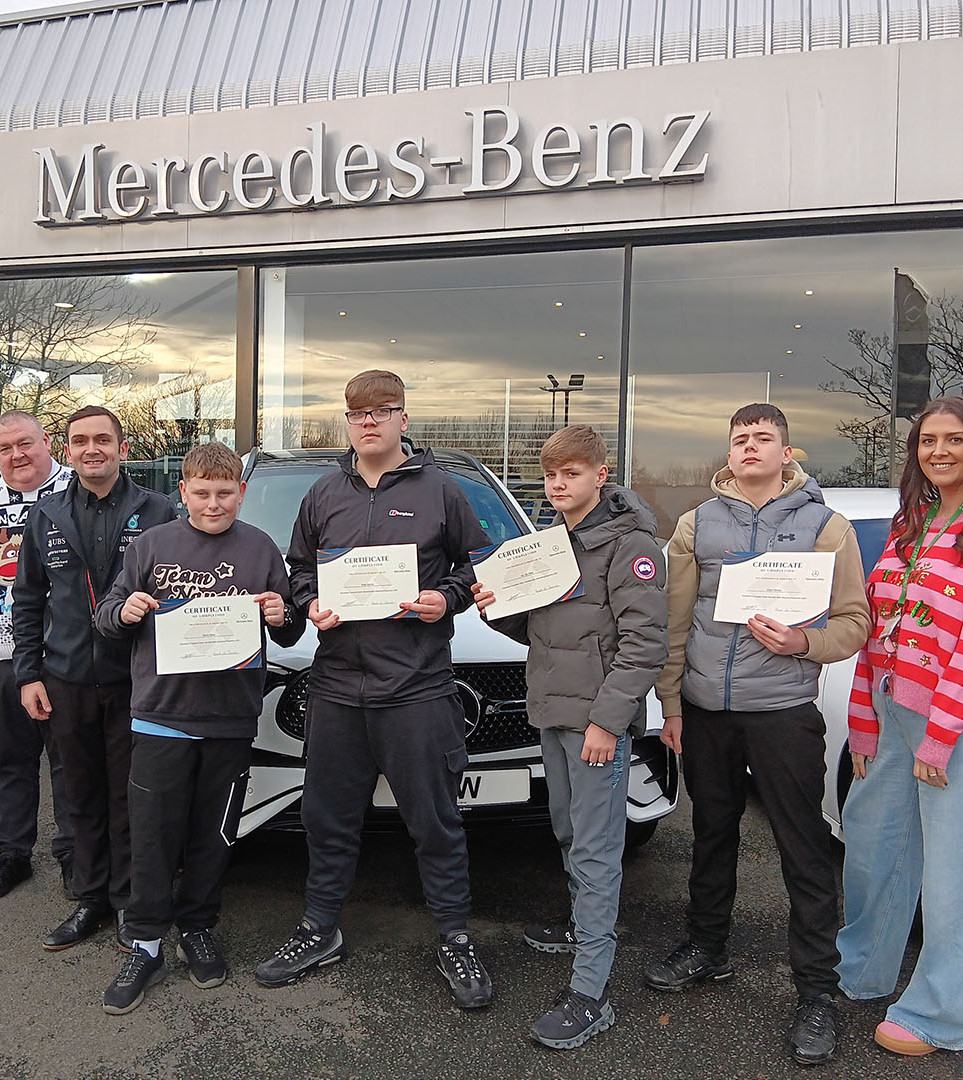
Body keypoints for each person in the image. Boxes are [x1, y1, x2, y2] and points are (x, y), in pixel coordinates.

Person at [255, 369, 497, 1009]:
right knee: (327, 819)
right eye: (358, 413)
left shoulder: (442, 490)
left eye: (382, 411)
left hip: (417, 689)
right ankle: (319, 928)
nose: (369, 422)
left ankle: (454, 936)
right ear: (347, 421)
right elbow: (299, 570)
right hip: (336, 687)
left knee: (436, 823)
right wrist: (310, 603)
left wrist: (444, 598)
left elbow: (477, 565)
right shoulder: (323, 493)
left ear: (403, 420)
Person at [646, 403, 871, 1066]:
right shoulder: (697, 523)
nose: (750, 446)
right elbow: (675, 620)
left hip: (782, 712)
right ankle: (706, 947)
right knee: (710, 834)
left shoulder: (826, 527)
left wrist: (805, 642)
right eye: (740, 438)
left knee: (803, 848)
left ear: (786, 452)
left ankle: (817, 992)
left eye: (762, 437)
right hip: (706, 711)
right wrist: (672, 704)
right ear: (729, 451)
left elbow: (855, 622)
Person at [837, 397, 963, 1056]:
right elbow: (880, 628)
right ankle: (862, 970)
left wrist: (944, 730)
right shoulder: (913, 521)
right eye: (927, 441)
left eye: (954, 439)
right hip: (896, 712)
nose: (939, 451)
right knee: (874, 847)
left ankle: (940, 1014)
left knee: (962, 870)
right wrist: (864, 722)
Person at [92, 441, 306, 1014]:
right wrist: (125, 612)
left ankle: (197, 926)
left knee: (214, 833)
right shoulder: (151, 545)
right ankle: (145, 942)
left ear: (242, 492)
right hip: (161, 717)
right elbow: (107, 615)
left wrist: (281, 614)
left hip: (230, 719)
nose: (214, 504)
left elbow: (288, 629)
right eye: (203, 493)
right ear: (183, 492)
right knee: (153, 834)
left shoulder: (260, 548)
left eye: (225, 493)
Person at [474, 425, 668, 1049]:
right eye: (551, 475)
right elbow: (540, 631)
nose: (558, 484)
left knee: (596, 847)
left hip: (594, 726)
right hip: (553, 714)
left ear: (600, 475)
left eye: (572, 473)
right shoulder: (551, 543)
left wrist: (607, 723)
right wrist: (496, 607)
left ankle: (591, 991)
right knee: (566, 828)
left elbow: (645, 645)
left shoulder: (631, 546)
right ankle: (579, 926)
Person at [12, 405, 176, 952]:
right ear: (67, 451)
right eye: (80, 441)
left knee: (131, 794)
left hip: (137, 678)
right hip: (66, 677)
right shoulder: (46, 513)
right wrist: (28, 674)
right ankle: (90, 897)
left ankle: (129, 901)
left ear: (122, 449)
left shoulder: (158, 511)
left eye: (102, 439)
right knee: (78, 792)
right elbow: (28, 599)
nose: (92, 449)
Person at [0, 410, 76, 903]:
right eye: (4, 448)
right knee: (10, 759)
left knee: (71, 761)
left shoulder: (77, 490)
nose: (16, 455)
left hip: (67, 653)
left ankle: (76, 853)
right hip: (1, 652)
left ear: (46, 440)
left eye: (25, 443)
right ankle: (12, 854)